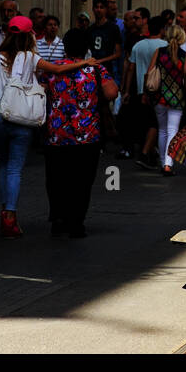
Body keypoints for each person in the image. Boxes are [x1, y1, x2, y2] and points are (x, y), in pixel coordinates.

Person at [0, 16, 95, 238]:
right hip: (21, 118)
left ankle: (4, 211)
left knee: (4, 165)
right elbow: (57, 69)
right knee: (15, 168)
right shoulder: (31, 57)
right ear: (29, 35)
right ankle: (10, 217)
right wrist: (84, 62)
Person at [44, 27, 118, 238]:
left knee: (56, 179)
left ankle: (58, 219)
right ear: (86, 46)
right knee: (82, 180)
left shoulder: (52, 68)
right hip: (87, 135)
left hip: (56, 135)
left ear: (65, 47)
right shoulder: (94, 69)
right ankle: (76, 222)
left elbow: (40, 91)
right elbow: (112, 92)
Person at [146, 23, 186, 177]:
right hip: (177, 99)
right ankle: (167, 164)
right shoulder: (183, 55)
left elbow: (149, 72)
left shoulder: (159, 52)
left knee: (163, 130)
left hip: (160, 97)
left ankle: (162, 161)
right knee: (172, 130)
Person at [126, 15, 167, 168]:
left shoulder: (138, 45)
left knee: (145, 122)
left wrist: (126, 90)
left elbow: (131, 68)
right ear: (162, 29)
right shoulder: (165, 45)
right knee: (155, 123)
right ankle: (145, 154)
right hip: (158, 90)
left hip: (140, 88)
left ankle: (150, 152)